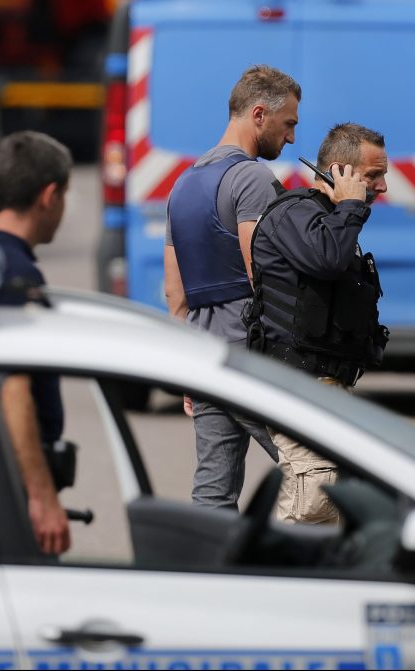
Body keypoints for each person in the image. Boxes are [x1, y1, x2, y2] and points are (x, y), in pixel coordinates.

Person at [164, 65, 301, 510]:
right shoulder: (253, 180)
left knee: (212, 495)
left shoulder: (183, 185)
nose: (292, 138)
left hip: (205, 360)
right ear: (259, 114)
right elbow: (265, 274)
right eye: (289, 125)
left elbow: (175, 292)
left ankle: (206, 573)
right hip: (250, 360)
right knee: (313, 470)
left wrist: (187, 365)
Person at [245, 123, 390, 524]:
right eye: (373, 175)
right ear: (340, 173)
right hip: (298, 386)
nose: (381, 186)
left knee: (330, 513)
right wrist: (350, 207)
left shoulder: (332, 222)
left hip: (325, 390)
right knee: (311, 505)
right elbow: (324, 260)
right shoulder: (295, 214)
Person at [0, 130, 73, 554]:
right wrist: (42, 496)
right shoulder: (15, 277)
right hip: (4, 489)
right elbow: (13, 388)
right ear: (49, 196)